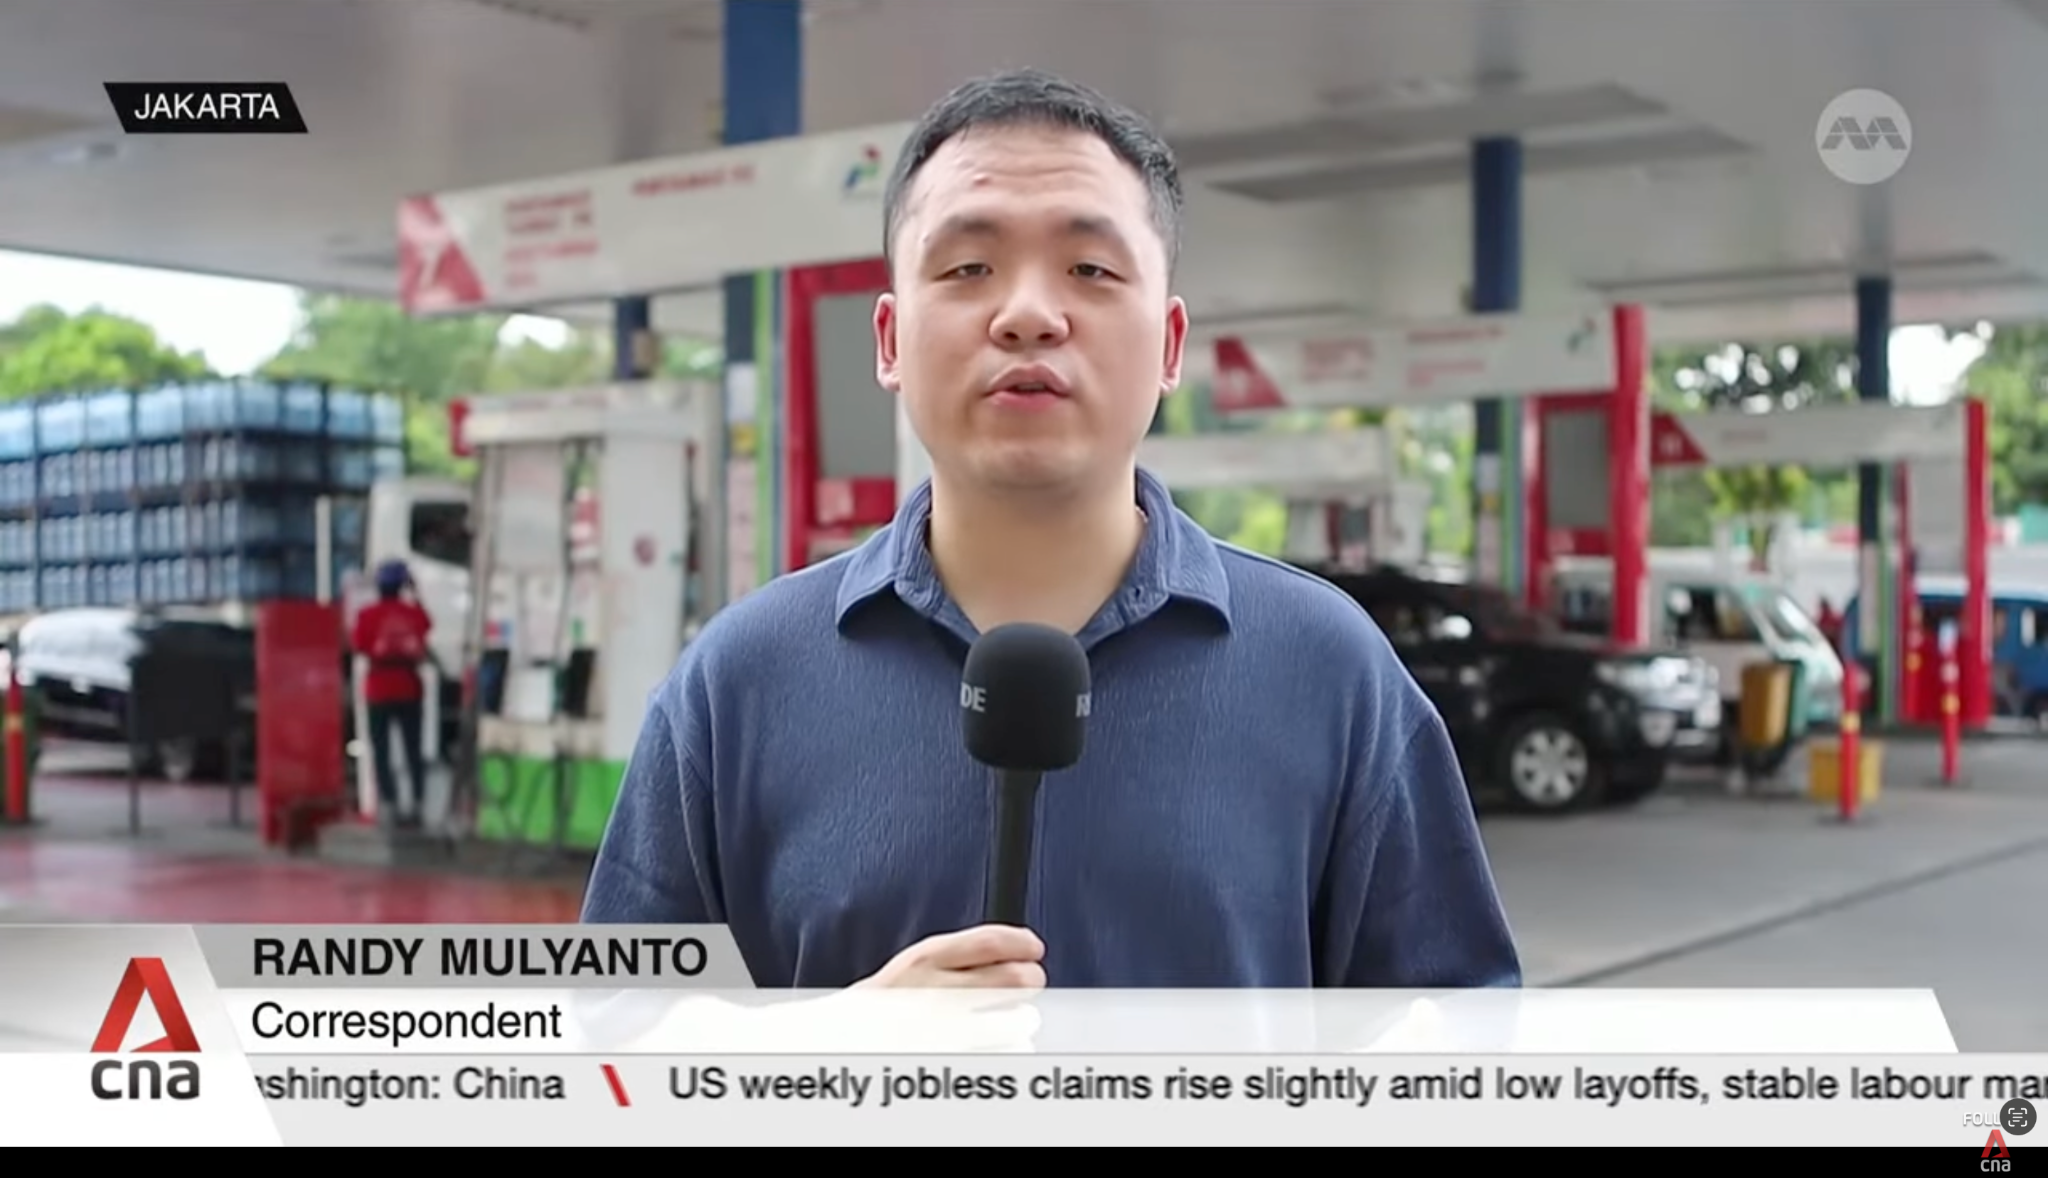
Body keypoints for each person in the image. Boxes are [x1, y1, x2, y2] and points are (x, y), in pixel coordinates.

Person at [582, 69, 1521, 991]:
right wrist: (817, 1053)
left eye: (1090, 269)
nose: (1028, 313)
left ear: (1170, 345)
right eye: (968, 268)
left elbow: (1461, 1044)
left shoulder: (1331, 672)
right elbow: (609, 1044)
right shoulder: (740, 682)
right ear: (890, 340)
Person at [352, 559, 433, 830]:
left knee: (381, 751)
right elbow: (427, 625)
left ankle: (389, 803)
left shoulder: (366, 615)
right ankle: (418, 803)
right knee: (413, 750)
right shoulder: (413, 613)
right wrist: (416, 592)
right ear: (402, 585)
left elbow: (359, 646)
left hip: (379, 689)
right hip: (410, 687)